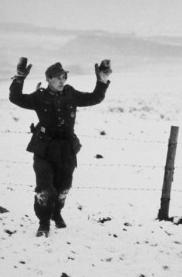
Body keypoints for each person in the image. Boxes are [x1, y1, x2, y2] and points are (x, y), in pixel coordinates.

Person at [9, 57, 112, 237]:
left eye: (64, 77)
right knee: (45, 189)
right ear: (48, 79)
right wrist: (19, 78)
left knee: (63, 187)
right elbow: (15, 98)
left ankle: (56, 213)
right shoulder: (40, 96)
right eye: (57, 77)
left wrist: (102, 81)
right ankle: (43, 222)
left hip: (67, 149)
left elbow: (95, 98)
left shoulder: (70, 94)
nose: (62, 80)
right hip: (44, 150)